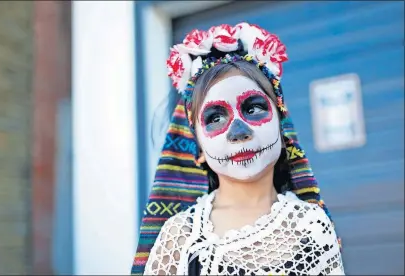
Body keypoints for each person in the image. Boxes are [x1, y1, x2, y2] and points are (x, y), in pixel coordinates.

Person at [131, 23, 344, 276]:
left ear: (281, 125)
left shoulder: (313, 226)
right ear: (198, 149)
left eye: (253, 108)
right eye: (215, 119)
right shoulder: (180, 237)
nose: (238, 131)